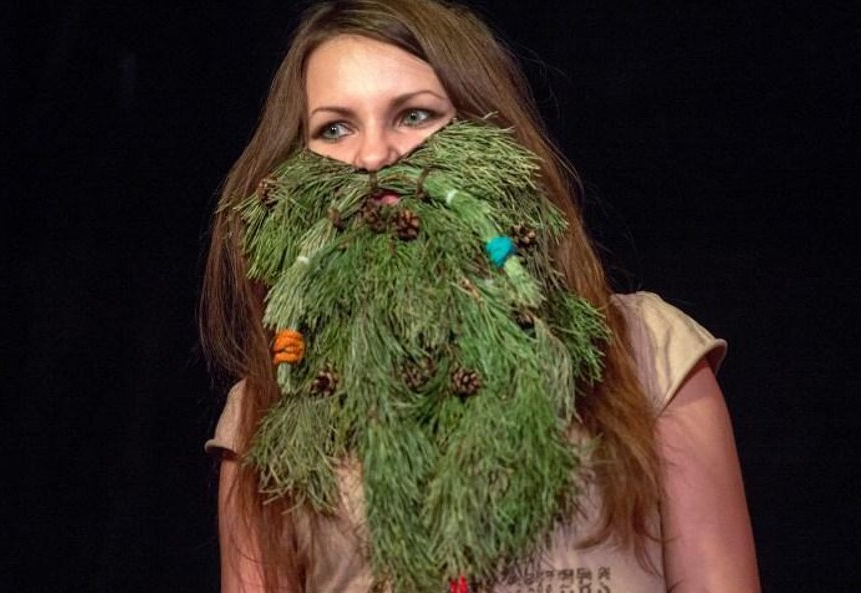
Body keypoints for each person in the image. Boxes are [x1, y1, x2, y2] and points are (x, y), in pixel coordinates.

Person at [200, 1, 760, 591]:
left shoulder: (646, 350)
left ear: (487, 128)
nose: (373, 157)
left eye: (414, 115)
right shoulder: (269, 403)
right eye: (335, 128)